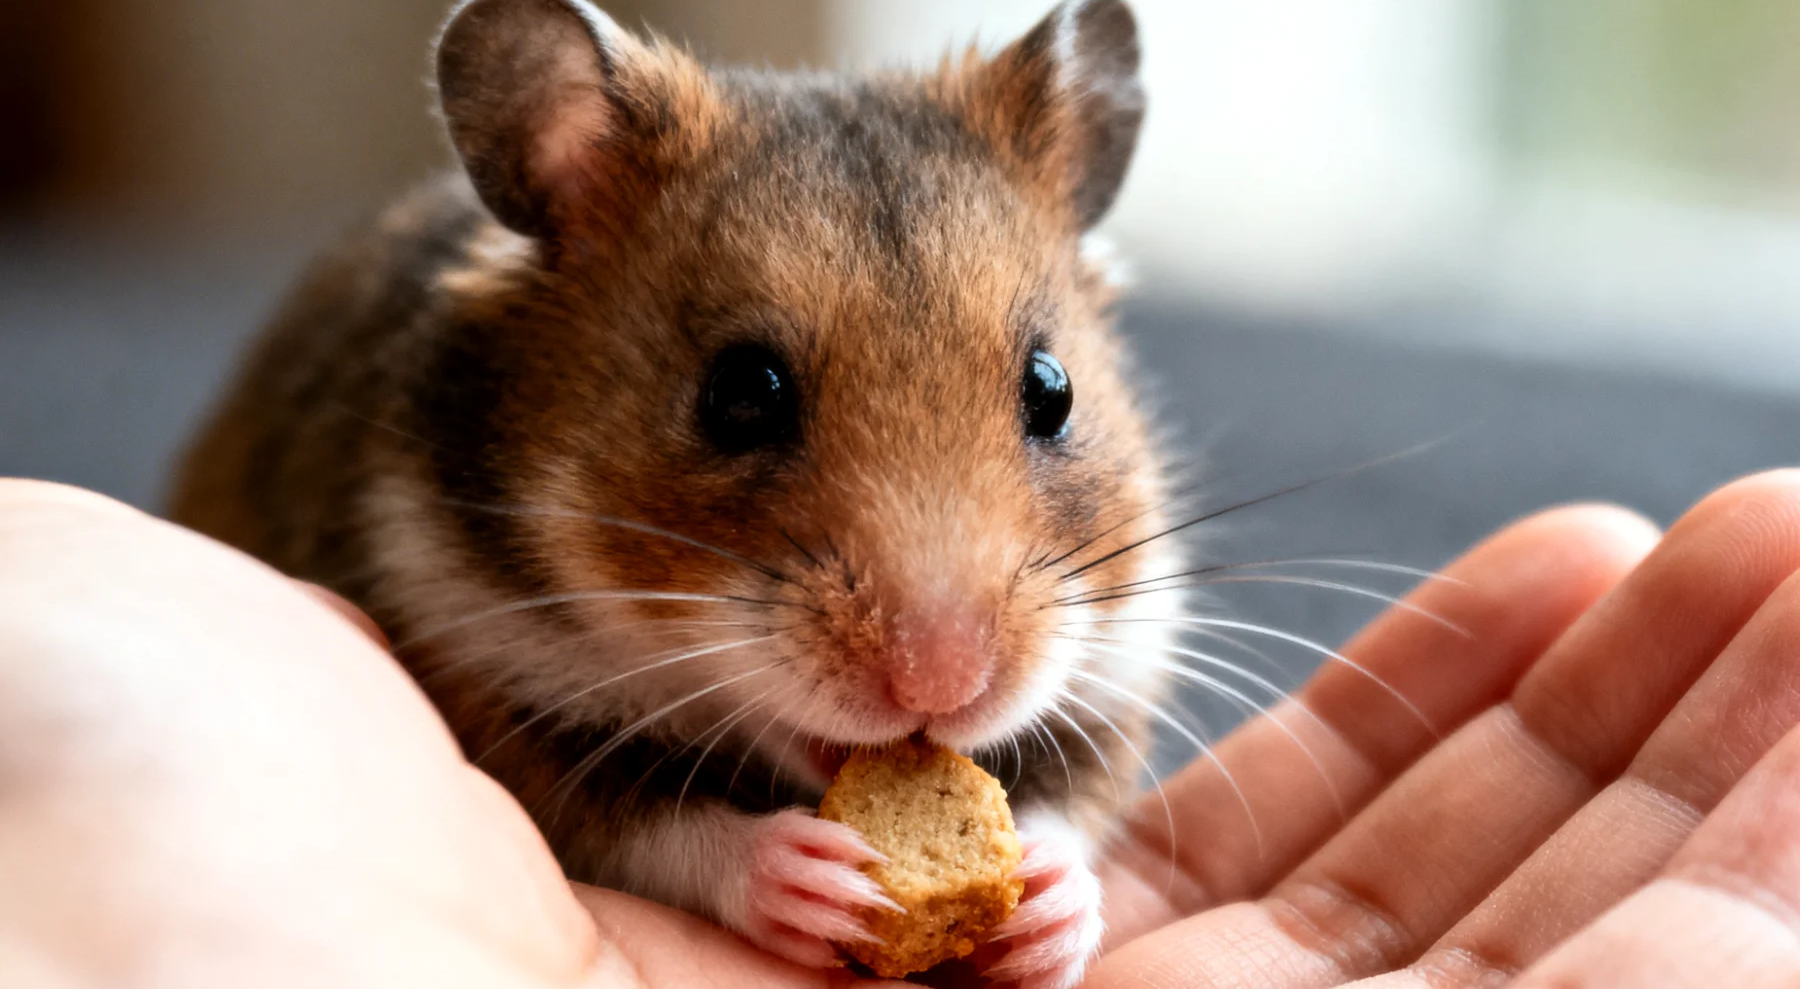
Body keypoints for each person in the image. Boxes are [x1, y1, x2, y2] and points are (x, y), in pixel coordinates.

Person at [5, 471, 1800, 988]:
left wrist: (1065, 872)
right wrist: (696, 849)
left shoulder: (1085, 583)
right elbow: (504, 753)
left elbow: (1077, 765)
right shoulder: (450, 510)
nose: (939, 662)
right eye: (754, 404)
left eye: (1033, 402)